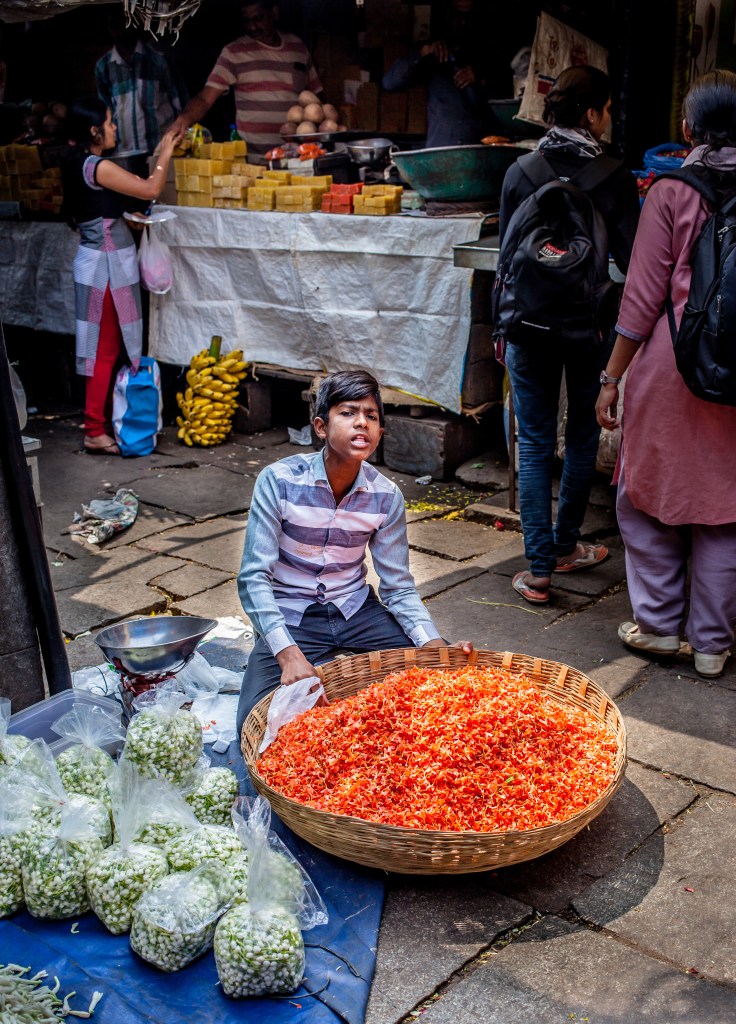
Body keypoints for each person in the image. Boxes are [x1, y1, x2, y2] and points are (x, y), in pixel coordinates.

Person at [595, 69, 736, 678]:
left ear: (687, 128)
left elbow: (640, 300)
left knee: (647, 503)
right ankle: (712, 645)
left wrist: (612, 377)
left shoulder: (669, 191)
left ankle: (659, 628)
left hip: (677, 369)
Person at [236, 370, 471, 730]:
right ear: (321, 427)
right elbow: (254, 577)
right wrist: (288, 654)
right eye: (347, 413)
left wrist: (432, 641)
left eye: (371, 416)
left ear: (379, 433)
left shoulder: (387, 496)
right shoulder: (279, 481)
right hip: (291, 615)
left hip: (356, 611)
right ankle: (299, 654)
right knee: (255, 721)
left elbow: (398, 586)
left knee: (447, 678)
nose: (361, 423)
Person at [499, 65, 640, 606]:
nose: (609, 118)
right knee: (581, 435)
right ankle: (565, 547)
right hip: (589, 327)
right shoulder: (614, 175)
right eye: (607, 108)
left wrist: (502, 326)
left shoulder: (521, 171)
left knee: (533, 441)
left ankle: (538, 570)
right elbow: (632, 260)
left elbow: (508, 258)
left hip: (527, 325)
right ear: (591, 113)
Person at [62, 97, 182, 455]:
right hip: (106, 267)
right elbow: (149, 189)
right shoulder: (95, 165)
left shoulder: (76, 163)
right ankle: (95, 429)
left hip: (98, 260)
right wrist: (165, 153)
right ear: (94, 130)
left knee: (105, 347)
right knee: (104, 349)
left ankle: (99, 424)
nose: (115, 129)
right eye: (110, 122)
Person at [170, 0, 323, 164]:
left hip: (298, 159)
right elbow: (205, 98)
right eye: (247, 20)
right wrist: (184, 119)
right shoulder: (233, 52)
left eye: (258, 18)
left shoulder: (297, 47)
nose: (252, 27)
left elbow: (317, 97)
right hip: (254, 162)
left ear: (274, 13)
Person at [382, 0, 496, 148]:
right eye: (457, 17)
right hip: (441, 153)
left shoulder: (490, 57)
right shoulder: (434, 58)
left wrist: (481, 74)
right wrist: (423, 53)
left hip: (481, 151)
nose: (462, 23)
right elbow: (389, 83)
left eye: (467, 18)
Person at [95, 12, 187, 178]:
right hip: (124, 157)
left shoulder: (159, 60)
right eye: (114, 25)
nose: (120, 31)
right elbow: (104, 112)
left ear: (135, 22)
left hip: (160, 155)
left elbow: (181, 106)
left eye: (124, 23)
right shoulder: (104, 67)